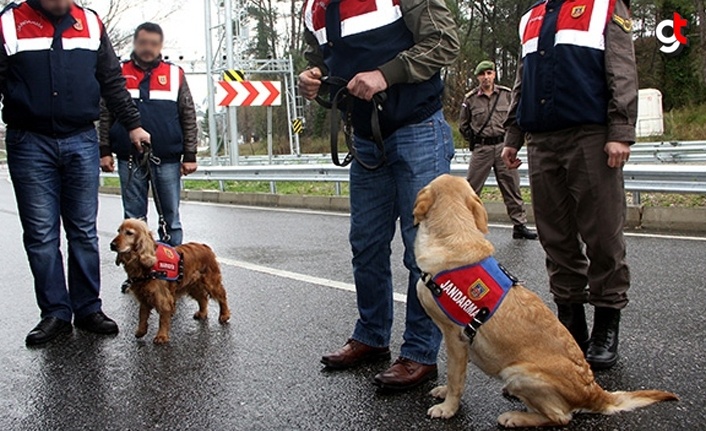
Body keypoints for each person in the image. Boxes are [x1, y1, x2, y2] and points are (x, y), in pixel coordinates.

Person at [299, 0, 459, 390]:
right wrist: (315, 76)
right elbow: (322, 58)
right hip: (367, 138)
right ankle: (371, 336)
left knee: (421, 248)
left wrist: (386, 75)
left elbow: (444, 41)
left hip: (417, 127)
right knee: (366, 243)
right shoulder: (312, 7)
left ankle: (420, 353)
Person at [0, 0, 150, 345]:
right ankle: (55, 313)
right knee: (41, 235)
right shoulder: (10, 22)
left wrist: (134, 125)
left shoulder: (90, 22)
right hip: (29, 141)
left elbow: (111, 80)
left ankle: (87, 309)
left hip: (81, 138)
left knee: (83, 231)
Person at [502, 0, 637, 370]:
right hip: (542, 139)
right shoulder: (531, 16)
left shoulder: (605, 6)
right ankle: (572, 325)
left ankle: (606, 324)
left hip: (590, 134)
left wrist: (621, 130)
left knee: (603, 234)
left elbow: (622, 70)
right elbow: (522, 79)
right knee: (556, 237)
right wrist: (513, 135)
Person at [99, 22, 198, 253]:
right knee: (132, 222)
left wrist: (190, 154)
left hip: (167, 159)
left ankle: (173, 271)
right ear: (136, 43)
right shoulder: (118, 73)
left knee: (170, 219)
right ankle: (137, 274)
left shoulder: (175, 74)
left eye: (153, 44)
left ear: (160, 46)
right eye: (143, 43)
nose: (148, 48)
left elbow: (188, 115)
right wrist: (103, 150)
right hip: (129, 159)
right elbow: (104, 114)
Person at [459, 60, 537, 240]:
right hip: (482, 148)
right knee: (471, 188)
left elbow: (515, 117)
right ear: (477, 77)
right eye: (482, 74)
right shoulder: (470, 99)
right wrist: (475, 140)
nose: (486, 77)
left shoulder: (506, 94)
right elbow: (464, 125)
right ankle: (465, 225)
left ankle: (519, 225)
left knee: (512, 187)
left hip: (503, 146)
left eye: (489, 73)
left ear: (494, 74)